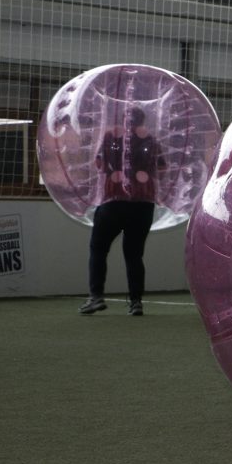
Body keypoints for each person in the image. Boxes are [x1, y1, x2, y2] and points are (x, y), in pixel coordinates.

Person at [79, 107, 165, 316]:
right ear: (142, 121)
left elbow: (99, 164)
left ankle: (96, 296)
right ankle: (136, 302)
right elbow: (161, 167)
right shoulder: (152, 141)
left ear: (125, 121)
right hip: (143, 204)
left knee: (98, 248)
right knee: (134, 255)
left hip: (113, 201)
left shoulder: (110, 137)